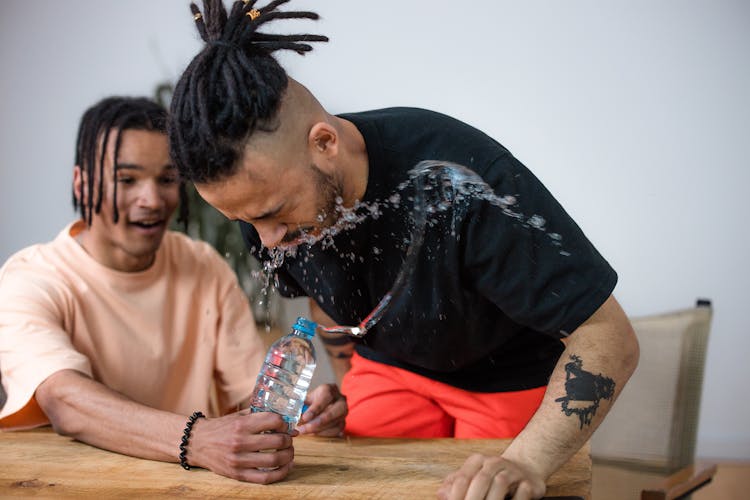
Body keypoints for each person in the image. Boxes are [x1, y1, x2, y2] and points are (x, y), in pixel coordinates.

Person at [167, 1, 639, 498]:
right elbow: (317, 291)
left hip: (508, 380)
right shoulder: (261, 203)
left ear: (324, 143)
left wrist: (525, 463)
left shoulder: (464, 182)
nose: (266, 240)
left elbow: (610, 338)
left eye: (274, 214)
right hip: (389, 373)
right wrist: (346, 390)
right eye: (245, 221)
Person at [0, 96, 347, 485]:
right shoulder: (29, 279)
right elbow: (63, 400)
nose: (151, 200)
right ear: (82, 183)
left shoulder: (203, 267)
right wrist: (196, 440)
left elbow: (253, 397)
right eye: (126, 180)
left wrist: (304, 412)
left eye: (167, 180)